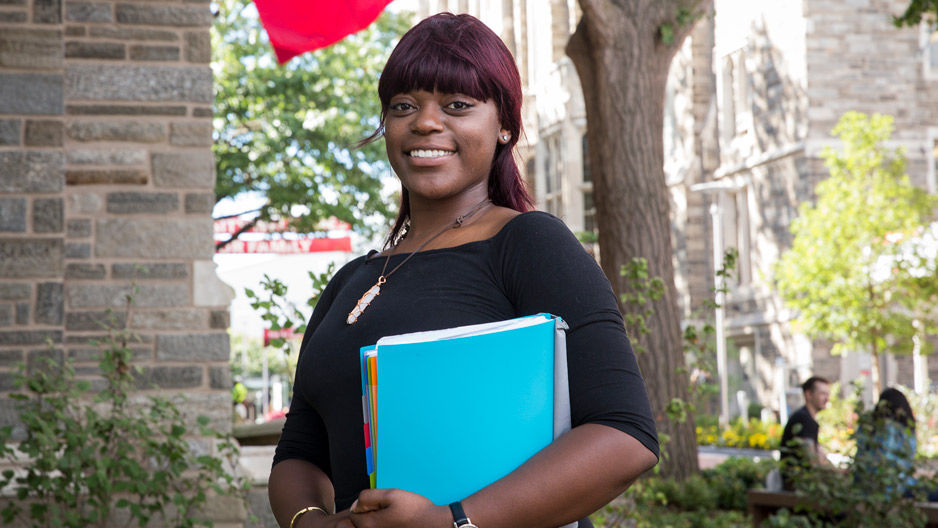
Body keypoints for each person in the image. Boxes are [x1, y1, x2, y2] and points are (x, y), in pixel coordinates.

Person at [268, 12, 659, 528]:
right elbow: (299, 450)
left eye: (457, 105)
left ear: (504, 126)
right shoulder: (349, 281)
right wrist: (311, 522)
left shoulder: (529, 244)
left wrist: (454, 522)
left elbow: (625, 435)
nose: (425, 122)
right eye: (403, 106)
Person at [854, 387, 938, 501]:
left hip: (863, 488)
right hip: (892, 490)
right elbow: (888, 468)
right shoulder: (896, 429)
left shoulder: (866, 426)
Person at [779, 376, 832, 490]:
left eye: (828, 394)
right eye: (822, 393)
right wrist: (839, 472)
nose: (827, 398)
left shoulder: (807, 418)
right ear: (808, 394)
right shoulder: (804, 419)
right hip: (799, 487)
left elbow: (819, 457)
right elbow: (812, 460)